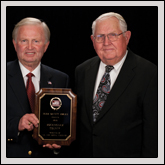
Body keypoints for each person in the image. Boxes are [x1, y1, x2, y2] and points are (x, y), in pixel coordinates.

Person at [75, 12, 158, 158]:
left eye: (113, 35)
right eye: (100, 37)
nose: (106, 42)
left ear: (127, 37)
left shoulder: (150, 74)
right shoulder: (82, 71)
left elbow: (153, 134)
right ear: (92, 40)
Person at [7, 17, 70, 157]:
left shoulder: (61, 79)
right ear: (15, 44)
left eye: (36, 41)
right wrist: (16, 124)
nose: (30, 47)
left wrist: (58, 145)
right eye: (24, 41)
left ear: (46, 46)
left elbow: (64, 126)